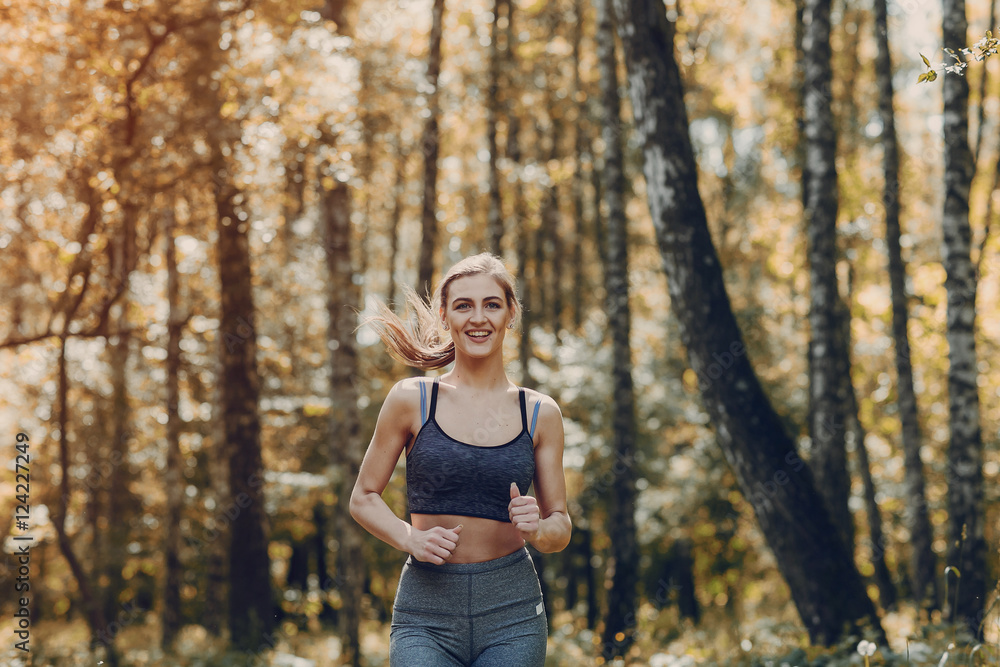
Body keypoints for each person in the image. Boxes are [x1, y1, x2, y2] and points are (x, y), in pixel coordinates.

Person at [350, 252, 572, 667]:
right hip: (425, 613)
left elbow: (560, 523)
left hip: (513, 614)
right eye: (463, 305)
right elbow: (363, 497)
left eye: (492, 304)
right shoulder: (412, 400)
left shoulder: (540, 413)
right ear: (444, 315)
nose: (478, 318)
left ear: (511, 314)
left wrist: (539, 529)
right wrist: (408, 538)